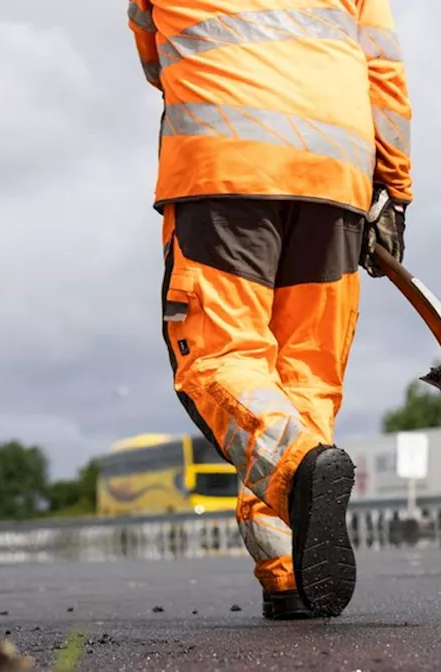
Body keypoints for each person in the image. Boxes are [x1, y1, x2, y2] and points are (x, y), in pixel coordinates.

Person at [126, 0, 412, 621]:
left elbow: (153, 55)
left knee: (219, 358)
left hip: (226, 162)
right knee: (305, 379)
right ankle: (290, 575)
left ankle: (299, 468)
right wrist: (396, 192)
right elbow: (384, 70)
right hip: (339, 172)